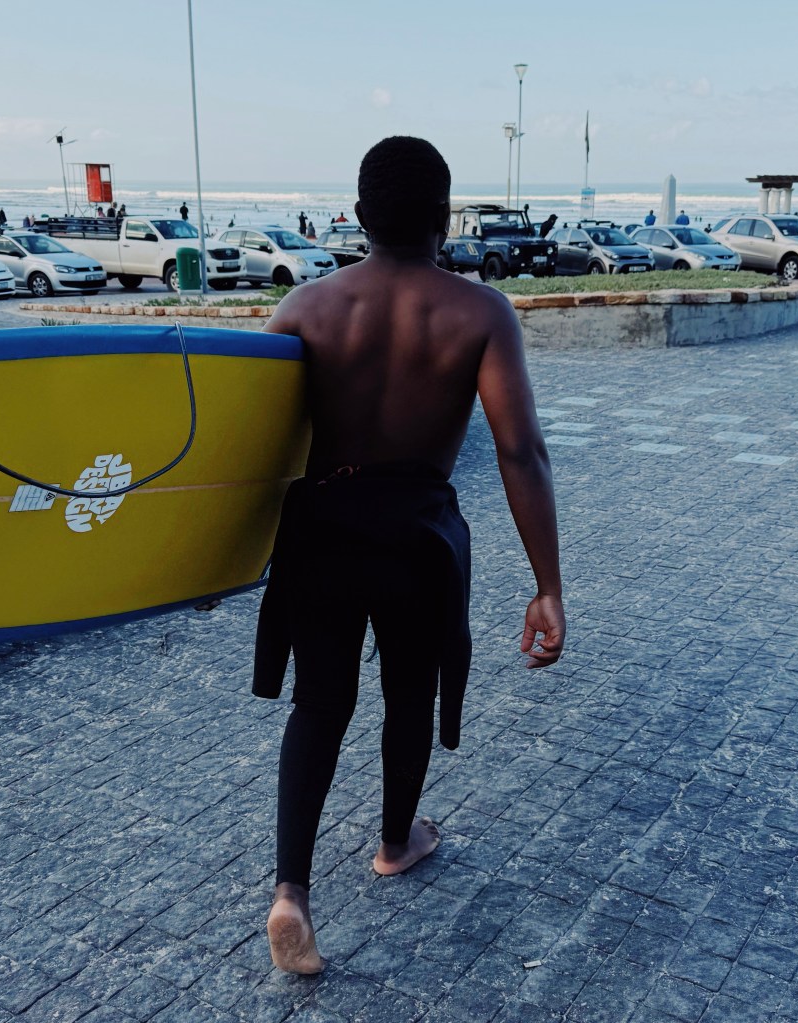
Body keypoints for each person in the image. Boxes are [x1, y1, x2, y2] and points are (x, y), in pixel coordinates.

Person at [252, 136, 565, 975]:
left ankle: (291, 891)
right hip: (418, 536)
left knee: (319, 705)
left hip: (320, 529)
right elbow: (520, 450)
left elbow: (246, 451)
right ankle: (396, 842)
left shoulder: (303, 311)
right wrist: (547, 585)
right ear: (442, 219)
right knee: (407, 697)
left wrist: (209, 566)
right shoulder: (478, 312)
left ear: (356, 218)